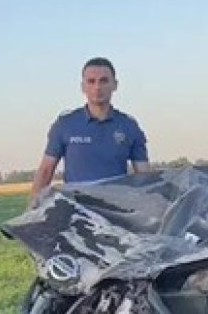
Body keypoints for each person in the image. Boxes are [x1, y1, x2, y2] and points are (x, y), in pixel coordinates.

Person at [29, 57, 149, 207]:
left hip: (116, 212)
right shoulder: (65, 124)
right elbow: (46, 171)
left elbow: (144, 177)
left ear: (115, 85)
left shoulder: (129, 126)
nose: (97, 87)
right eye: (91, 81)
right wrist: (31, 210)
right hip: (77, 213)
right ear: (83, 86)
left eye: (104, 81)